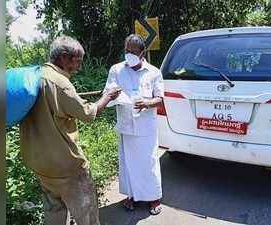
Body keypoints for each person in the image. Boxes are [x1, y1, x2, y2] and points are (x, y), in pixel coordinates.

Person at [20, 35, 121, 225]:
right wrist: (106, 98)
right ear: (65, 57)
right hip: (66, 167)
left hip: (41, 165)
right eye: (78, 61)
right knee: (87, 215)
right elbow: (88, 113)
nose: (79, 67)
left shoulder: (35, 76)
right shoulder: (60, 83)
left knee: (54, 212)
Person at [104, 34, 164, 215]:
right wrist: (112, 95)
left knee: (149, 162)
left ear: (142, 52)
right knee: (128, 164)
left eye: (133, 51)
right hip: (126, 125)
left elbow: (160, 99)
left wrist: (147, 103)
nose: (129, 54)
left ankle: (153, 197)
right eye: (127, 50)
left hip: (146, 127)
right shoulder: (116, 70)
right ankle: (131, 195)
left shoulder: (154, 72)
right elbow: (108, 93)